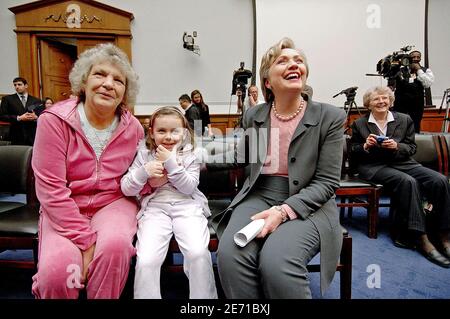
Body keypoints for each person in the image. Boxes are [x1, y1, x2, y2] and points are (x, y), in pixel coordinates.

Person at [208, 37, 346, 298]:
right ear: (268, 82)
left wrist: (283, 212)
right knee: (230, 255)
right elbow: (242, 156)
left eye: (298, 60)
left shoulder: (330, 117)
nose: (294, 64)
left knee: (277, 263)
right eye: (282, 61)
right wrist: (194, 158)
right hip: (259, 195)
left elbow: (327, 183)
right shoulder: (254, 115)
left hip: (309, 201)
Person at [31, 43, 144, 298]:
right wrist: (87, 241)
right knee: (58, 273)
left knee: (115, 248)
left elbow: (137, 178)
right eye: (100, 74)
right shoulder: (54, 121)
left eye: (118, 80)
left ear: (125, 92)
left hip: (113, 203)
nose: (108, 84)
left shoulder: (134, 128)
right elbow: (51, 190)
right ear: (84, 81)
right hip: (64, 205)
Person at [121, 106, 217, 299]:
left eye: (175, 131)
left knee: (198, 253)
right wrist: (143, 172)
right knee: (147, 259)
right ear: (151, 132)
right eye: (161, 131)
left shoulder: (191, 154)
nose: (168, 136)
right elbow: (126, 188)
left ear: (184, 132)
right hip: (155, 208)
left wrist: (171, 163)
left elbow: (189, 187)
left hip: (187, 206)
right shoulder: (144, 154)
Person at [350, 86, 450, 268]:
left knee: (440, 180)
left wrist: (396, 146)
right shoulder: (360, 124)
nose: (381, 101)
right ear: (368, 104)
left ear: (390, 100)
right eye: (376, 99)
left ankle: (444, 235)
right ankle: (421, 238)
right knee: (408, 181)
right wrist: (364, 145)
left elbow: (411, 148)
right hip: (374, 166)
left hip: (402, 163)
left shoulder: (405, 119)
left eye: (384, 98)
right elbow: (353, 151)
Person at [391, 50, 434, 133]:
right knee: (399, 125)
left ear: (420, 59)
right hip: (401, 103)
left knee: (415, 125)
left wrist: (419, 70)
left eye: (418, 57)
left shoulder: (425, 70)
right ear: (408, 58)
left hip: (417, 104)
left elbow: (427, 84)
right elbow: (392, 85)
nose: (416, 59)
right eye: (413, 57)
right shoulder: (400, 70)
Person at [0, 77, 42, 145]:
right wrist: (19, 118)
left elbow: (41, 116)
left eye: (19, 84)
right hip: (16, 135)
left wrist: (36, 117)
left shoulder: (36, 100)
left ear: (26, 86)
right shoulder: (7, 99)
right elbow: (2, 116)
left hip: (33, 136)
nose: (17, 87)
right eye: (15, 85)